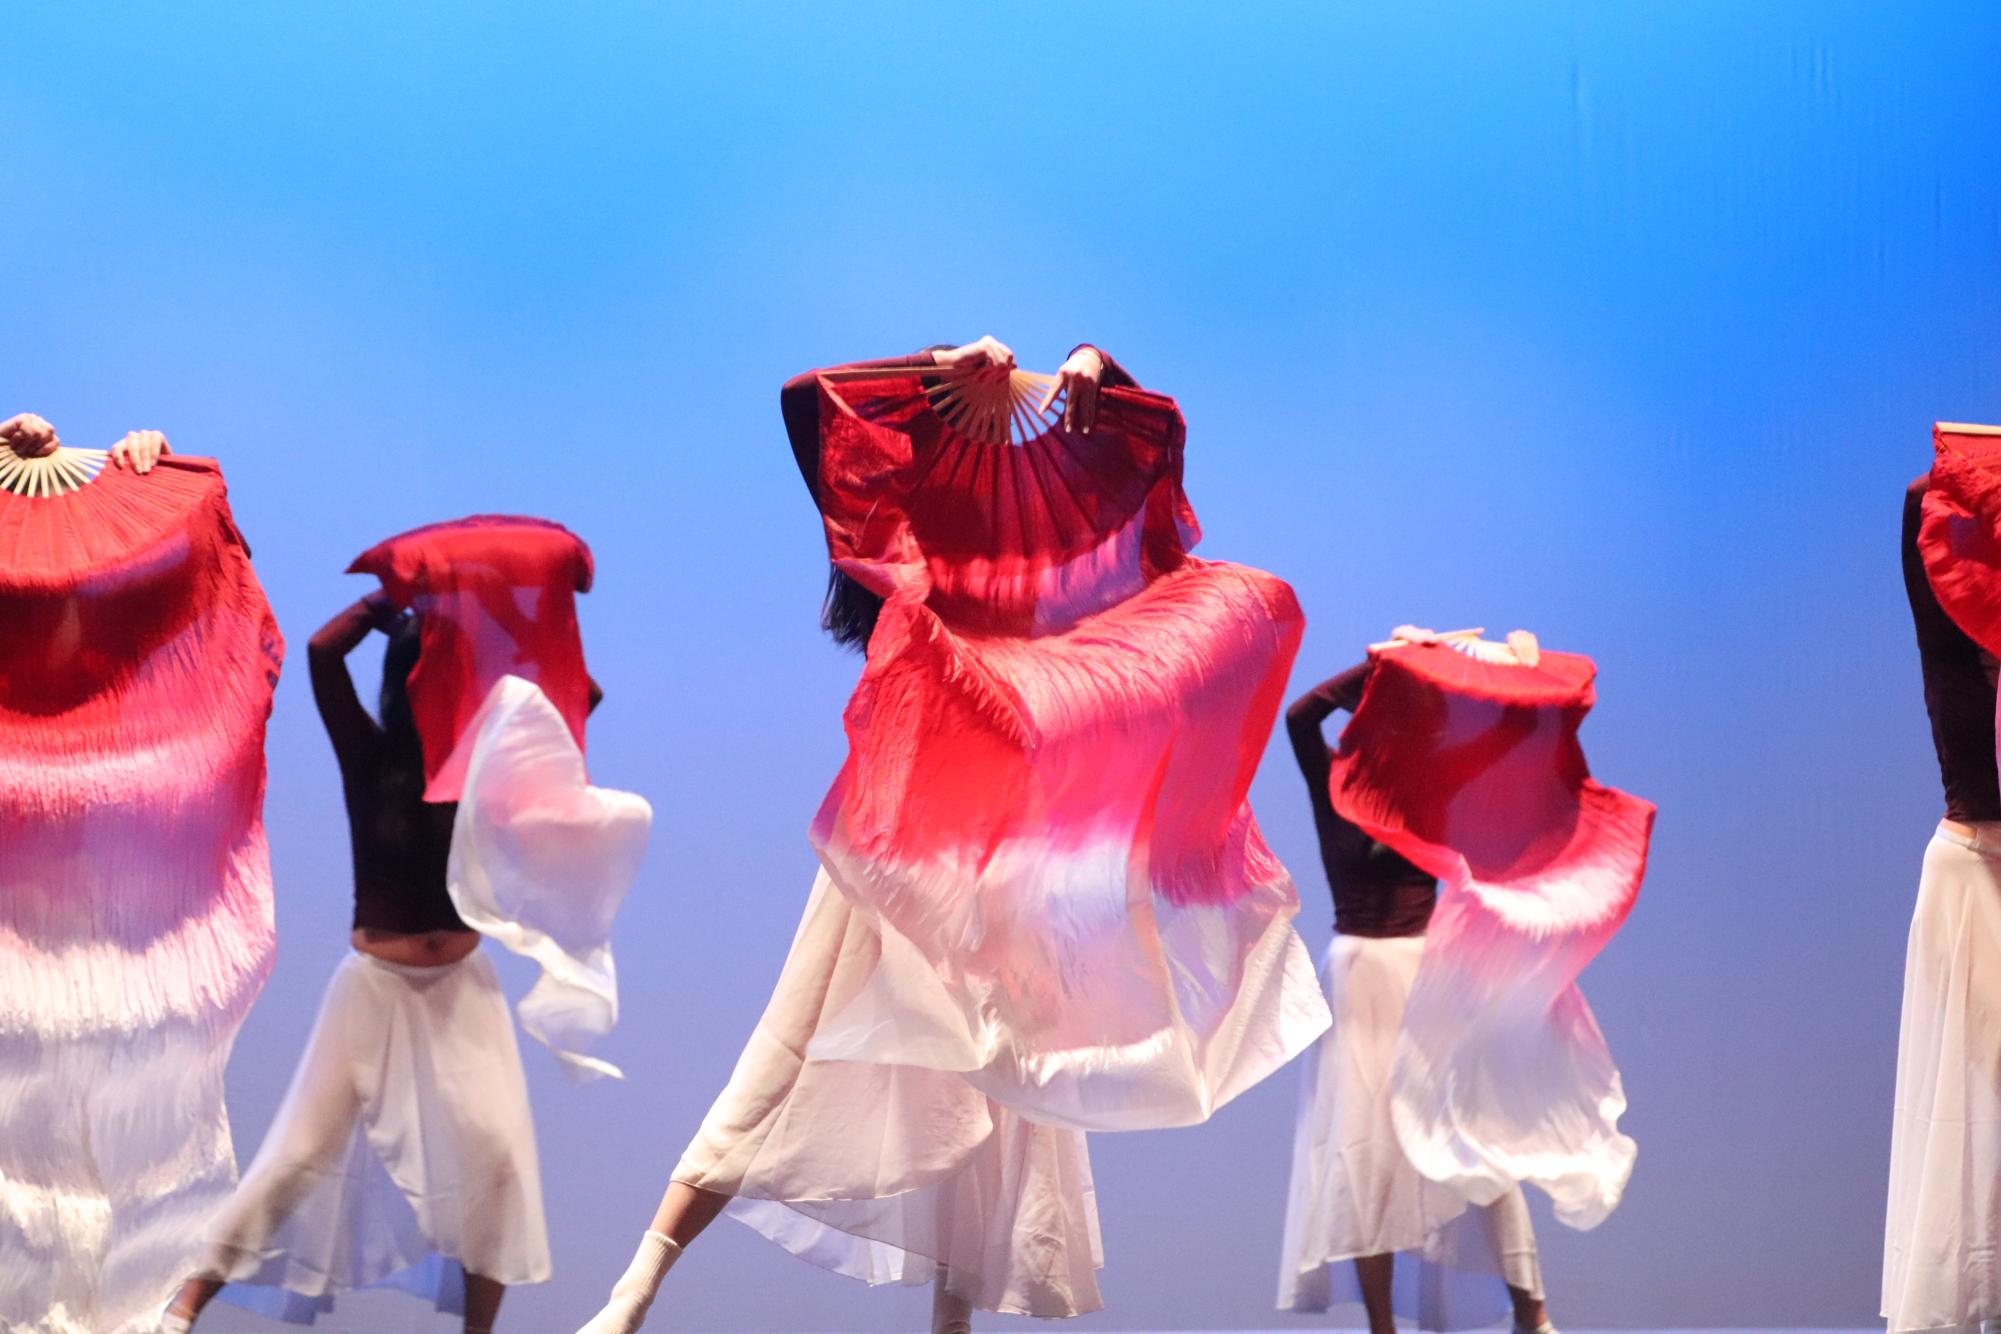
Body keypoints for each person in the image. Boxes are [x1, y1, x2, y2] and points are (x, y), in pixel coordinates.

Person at [573, 334, 1327, 1334]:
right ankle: (634, 1288)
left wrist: (1101, 365)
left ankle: (947, 1323)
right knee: (792, 1049)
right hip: (911, 838)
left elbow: (1158, 474)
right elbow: (811, 403)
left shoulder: (1077, 556)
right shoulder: (907, 546)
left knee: (1001, 1101)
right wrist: (936, 365)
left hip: (1018, 854)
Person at [163, 594, 592, 1333]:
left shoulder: (481, 759)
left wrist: (518, 622)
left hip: (461, 994)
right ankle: (180, 1311)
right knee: (297, 1158)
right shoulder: (369, 754)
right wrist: (388, 599)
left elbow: (578, 698)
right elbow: (324, 655)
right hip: (373, 993)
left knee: (497, 1162)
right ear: (404, 680)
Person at [1276, 651, 1555, 1334]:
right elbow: (1300, 714)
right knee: (1360, 1151)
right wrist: (1377, 670)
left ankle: (1532, 1311)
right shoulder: (1333, 780)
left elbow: (1512, 734)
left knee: (1470, 1137)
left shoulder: (1428, 784)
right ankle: (1381, 1327)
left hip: (1424, 975)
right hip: (1357, 980)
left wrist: (1461, 675)